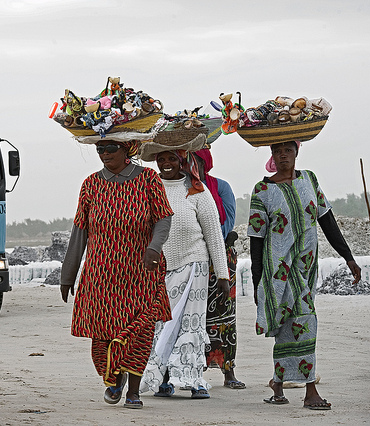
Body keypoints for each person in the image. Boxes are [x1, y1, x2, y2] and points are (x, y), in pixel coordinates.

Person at [60, 139, 174, 409]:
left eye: (111, 148)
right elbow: (80, 232)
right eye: (100, 149)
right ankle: (114, 378)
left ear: (128, 149)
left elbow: (163, 218)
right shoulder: (91, 184)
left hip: (140, 272)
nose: (104, 154)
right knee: (103, 334)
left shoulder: (148, 180)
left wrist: (154, 248)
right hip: (101, 276)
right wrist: (68, 275)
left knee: (139, 333)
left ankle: (133, 391)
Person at [248, 140, 361, 410]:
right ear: (272, 155)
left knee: (291, 321)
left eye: (288, 150)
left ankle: (278, 382)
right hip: (278, 270)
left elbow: (327, 220)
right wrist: (258, 283)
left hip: (306, 266)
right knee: (305, 318)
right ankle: (310, 391)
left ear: (297, 152)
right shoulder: (262, 190)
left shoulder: (309, 180)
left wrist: (348, 256)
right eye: (277, 151)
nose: (283, 155)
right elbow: (256, 239)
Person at [139, 147, 230, 400]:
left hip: (194, 266)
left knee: (191, 323)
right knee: (161, 324)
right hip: (160, 269)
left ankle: (194, 380)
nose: (166, 163)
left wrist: (223, 275)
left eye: (172, 158)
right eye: (162, 159)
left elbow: (213, 234)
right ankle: (163, 379)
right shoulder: (149, 190)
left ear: (182, 161)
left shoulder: (198, 191)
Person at [193, 148, 245, 389]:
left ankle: (228, 371)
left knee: (224, 316)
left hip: (221, 259)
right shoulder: (182, 189)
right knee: (192, 315)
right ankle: (191, 370)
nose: (191, 166)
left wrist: (205, 238)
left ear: (205, 163)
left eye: (196, 161)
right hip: (191, 258)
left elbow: (226, 225)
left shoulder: (221, 188)